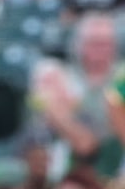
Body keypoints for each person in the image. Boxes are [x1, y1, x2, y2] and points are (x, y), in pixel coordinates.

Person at [28, 14, 120, 180]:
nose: (101, 49)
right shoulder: (59, 73)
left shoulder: (121, 76)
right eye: (94, 43)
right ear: (79, 45)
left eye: (106, 44)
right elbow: (43, 111)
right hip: (63, 148)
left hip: (114, 153)